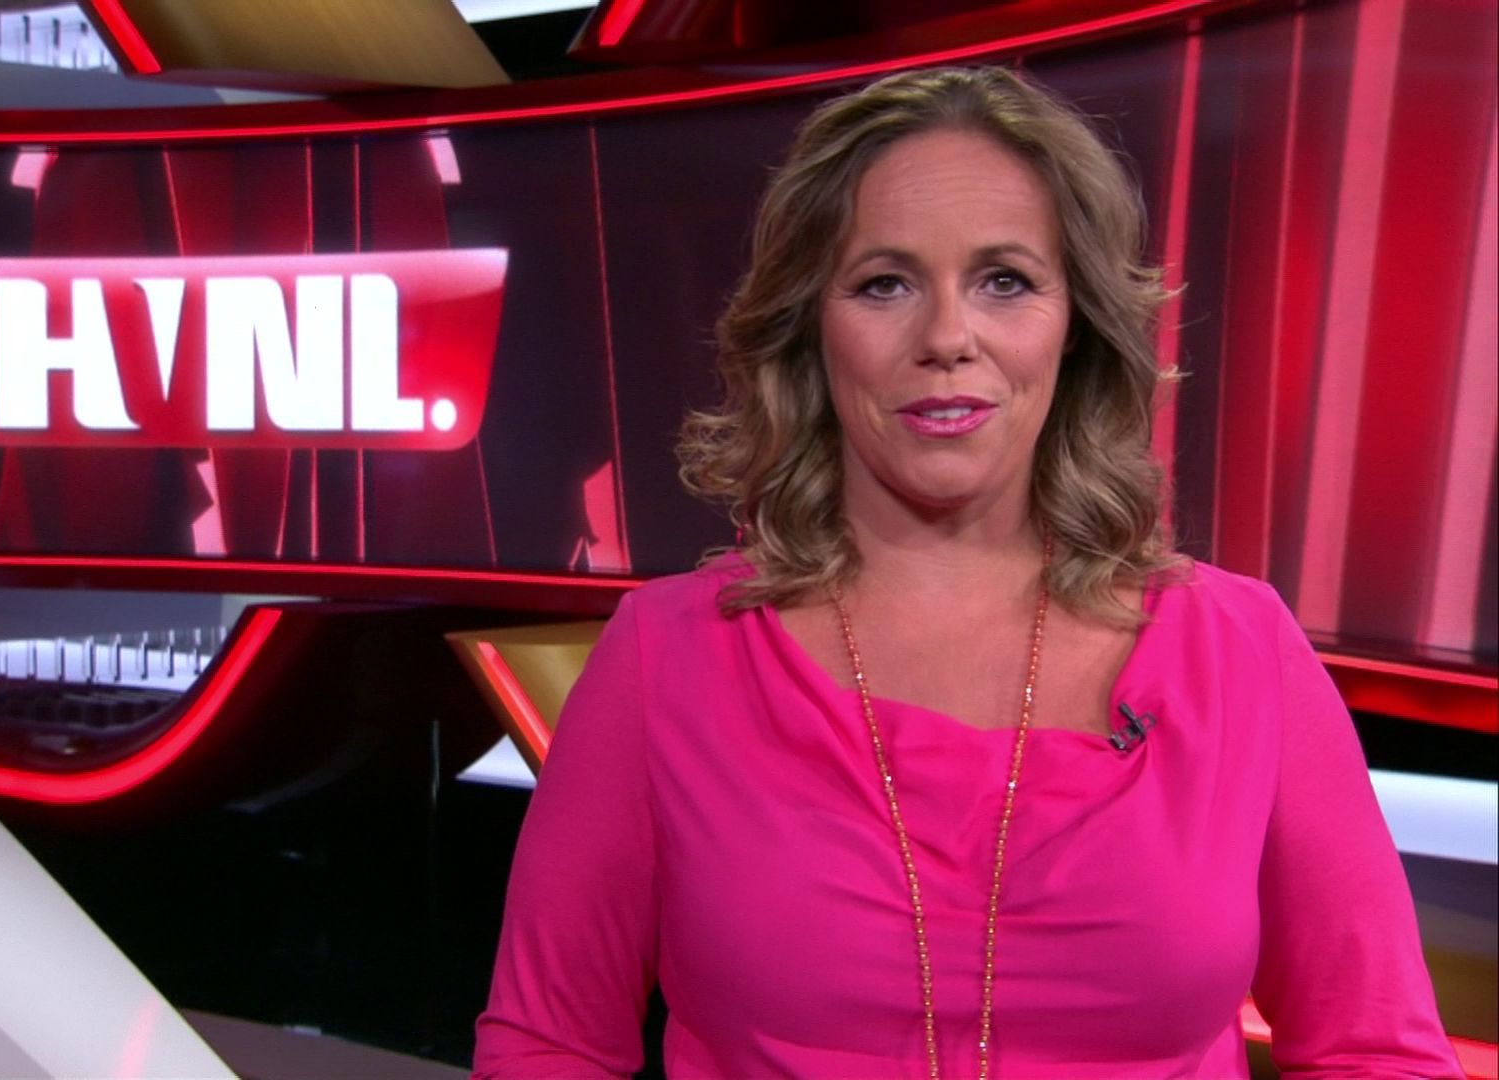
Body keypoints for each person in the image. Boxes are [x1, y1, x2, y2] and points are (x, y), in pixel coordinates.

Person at [473, 66, 1461, 1079]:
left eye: (1006, 281)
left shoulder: (1241, 649)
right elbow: (549, 1047)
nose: (947, 338)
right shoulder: (666, 657)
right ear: (810, 328)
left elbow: (1375, 1051)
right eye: (884, 284)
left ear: (1077, 324)